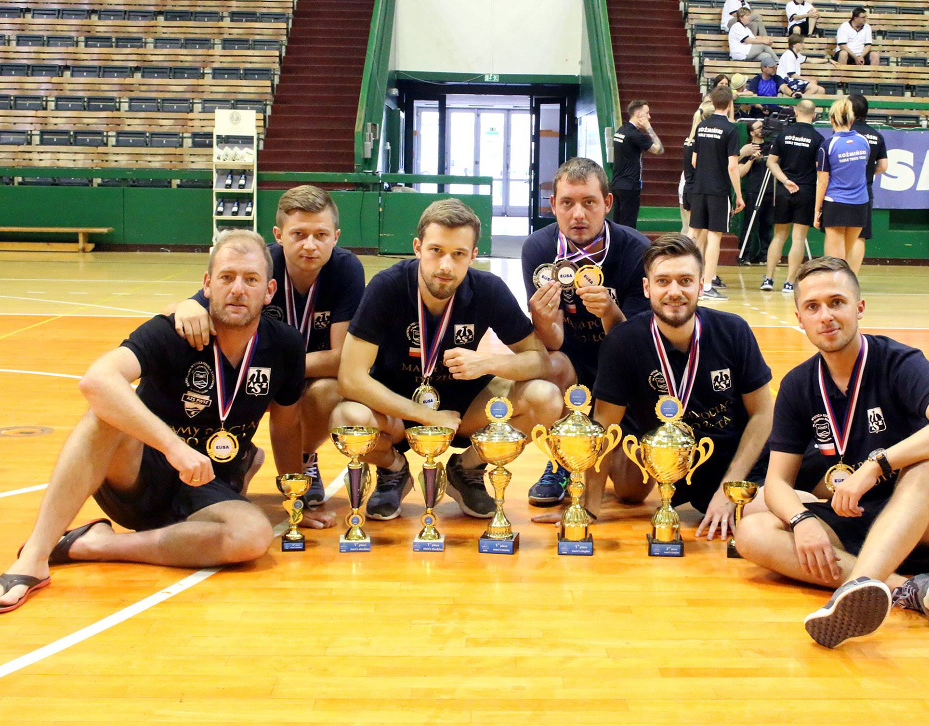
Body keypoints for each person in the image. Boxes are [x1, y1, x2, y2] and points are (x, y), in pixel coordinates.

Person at [0, 230, 320, 615]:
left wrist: (298, 498)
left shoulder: (286, 345)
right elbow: (97, 379)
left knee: (253, 537)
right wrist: (173, 447)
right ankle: (35, 556)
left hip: (207, 485)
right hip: (138, 476)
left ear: (270, 289)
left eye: (251, 279)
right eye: (226, 277)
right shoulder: (174, 330)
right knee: (104, 413)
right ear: (207, 285)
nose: (238, 289)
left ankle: (93, 545)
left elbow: (287, 424)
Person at [734, 257, 929, 648]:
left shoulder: (898, 361)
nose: (826, 316)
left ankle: (855, 589)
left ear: (859, 308)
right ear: (800, 318)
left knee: (928, 466)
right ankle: (904, 589)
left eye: (836, 302)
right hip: (861, 521)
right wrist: (800, 520)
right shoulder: (799, 385)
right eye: (813, 307)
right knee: (752, 531)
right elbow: (778, 481)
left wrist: (876, 465)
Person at [331, 199, 563, 521]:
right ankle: (393, 471)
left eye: (458, 254)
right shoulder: (388, 286)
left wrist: (487, 363)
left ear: (473, 255)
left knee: (546, 397)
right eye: (436, 251)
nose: (445, 266)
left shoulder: (488, 289)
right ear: (417, 247)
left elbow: (539, 360)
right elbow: (350, 378)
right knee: (345, 416)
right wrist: (425, 416)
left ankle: (467, 469)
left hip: (464, 411)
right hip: (395, 411)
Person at [533, 234, 775, 538]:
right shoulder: (624, 341)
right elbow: (605, 428)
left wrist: (730, 491)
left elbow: (764, 413)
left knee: (789, 508)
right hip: (687, 474)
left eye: (685, 280)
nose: (675, 292)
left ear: (701, 285)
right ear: (647, 288)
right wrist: (587, 507)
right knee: (630, 491)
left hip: (745, 464)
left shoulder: (734, 330)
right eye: (663, 281)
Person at [170, 186, 365, 508]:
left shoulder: (346, 269)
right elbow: (198, 303)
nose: (310, 245)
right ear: (278, 234)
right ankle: (236, 452)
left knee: (330, 391)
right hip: (255, 373)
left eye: (321, 234)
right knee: (208, 369)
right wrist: (187, 306)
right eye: (299, 234)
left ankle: (303, 462)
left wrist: (284, 368)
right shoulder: (261, 264)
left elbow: (340, 358)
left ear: (336, 237)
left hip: (304, 375)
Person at [522, 158, 651, 505]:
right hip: (572, 368)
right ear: (553, 206)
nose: (578, 214)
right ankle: (562, 460)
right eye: (567, 203)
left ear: (607, 204)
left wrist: (610, 312)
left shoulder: (636, 249)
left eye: (589, 202)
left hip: (624, 370)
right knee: (553, 362)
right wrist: (541, 319)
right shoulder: (538, 249)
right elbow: (553, 342)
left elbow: (638, 344)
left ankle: (599, 454)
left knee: (630, 493)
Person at [688, 84, 746, 301]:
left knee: (694, 234)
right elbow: (733, 166)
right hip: (718, 189)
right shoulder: (732, 129)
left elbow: (694, 160)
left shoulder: (702, 127)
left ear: (712, 102)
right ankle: (708, 284)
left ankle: (688, 278)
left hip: (699, 188)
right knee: (714, 237)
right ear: (730, 104)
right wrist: (739, 195)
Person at [763, 98, 824, 292]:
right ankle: (789, 283)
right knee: (798, 238)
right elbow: (820, 169)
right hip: (806, 191)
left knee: (779, 236)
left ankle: (768, 279)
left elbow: (771, 162)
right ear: (814, 115)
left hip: (784, 190)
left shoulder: (784, 134)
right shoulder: (818, 139)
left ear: (796, 112)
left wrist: (784, 180)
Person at [815, 98, 870, 267]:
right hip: (860, 204)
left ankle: (838, 291)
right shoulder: (863, 141)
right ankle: (848, 290)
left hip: (836, 204)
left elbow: (822, 182)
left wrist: (817, 210)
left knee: (835, 261)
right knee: (847, 254)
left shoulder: (828, 145)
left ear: (832, 119)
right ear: (852, 120)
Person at [846, 94, 889, 274]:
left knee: (839, 234)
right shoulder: (876, 135)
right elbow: (884, 166)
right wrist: (869, 172)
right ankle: (852, 278)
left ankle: (838, 277)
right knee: (859, 236)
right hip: (864, 190)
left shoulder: (844, 132)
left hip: (842, 189)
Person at [611, 100, 664, 229]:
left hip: (617, 184)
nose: (649, 117)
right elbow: (659, 149)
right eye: (647, 113)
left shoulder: (621, 130)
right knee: (628, 227)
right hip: (630, 186)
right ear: (639, 114)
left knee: (617, 225)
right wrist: (648, 127)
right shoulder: (635, 135)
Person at [736, 119, 776, 264]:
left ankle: (765, 255)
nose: (762, 129)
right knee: (750, 224)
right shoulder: (748, 148)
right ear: (752, 132)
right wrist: (752, 159)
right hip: (754, 190)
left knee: (767, 225)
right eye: (759, 127)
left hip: (771, 190)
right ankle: (744, 254)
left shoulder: (772, 146)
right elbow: (740, 172)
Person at [679, 102, 715, 236]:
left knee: (693, 233)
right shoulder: (702, 142)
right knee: (697, 236)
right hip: (698, 191)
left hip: (688, 188)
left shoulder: (689, 139)